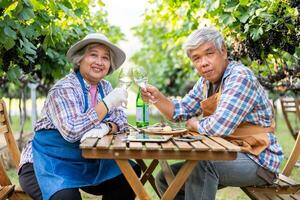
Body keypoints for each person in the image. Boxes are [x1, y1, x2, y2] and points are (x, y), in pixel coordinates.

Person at [141, 27, 284, 200]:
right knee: (166, 178)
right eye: (197, 58)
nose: (204, 62)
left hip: (259, 160)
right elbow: (180, 111)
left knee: (204, 164)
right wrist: (158, 98)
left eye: (209, 53)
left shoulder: (239, 77)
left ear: (223, 51)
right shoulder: (205, 82)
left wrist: (195, 125)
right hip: (230, 152)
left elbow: (218, 127)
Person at [18, 33, 140, 200]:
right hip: (45, 163)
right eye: (93, 55)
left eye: (105, 58)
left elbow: (122, 121)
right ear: (80, 59)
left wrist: (106, 127)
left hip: (84, 160)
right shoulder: (63, 89)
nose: (99, 61)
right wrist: (106, 104)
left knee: (129, 174)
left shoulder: (105, 86)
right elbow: (71, 132)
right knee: (67, 197)